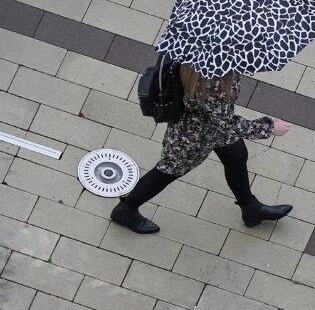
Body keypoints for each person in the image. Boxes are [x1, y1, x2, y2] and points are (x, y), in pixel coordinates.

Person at [111, 65, 292, 234]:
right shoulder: (212, 82)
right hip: (193, 137)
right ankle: (125, 210)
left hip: (208, 125)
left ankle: (250, 209)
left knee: (236, 155)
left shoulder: (201, 60)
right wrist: (270, 128)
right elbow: (227, 124)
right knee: (167, 172)